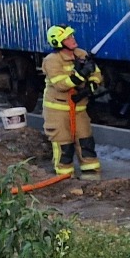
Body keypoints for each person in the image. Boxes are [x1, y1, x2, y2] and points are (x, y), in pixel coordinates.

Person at [42, 25, 104, 176]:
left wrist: (90, 87)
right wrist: (82, 74)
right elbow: (61, 84)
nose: (73, 39)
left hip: (79, 109)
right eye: (68, 38)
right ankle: (64, 179)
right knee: (65, 147)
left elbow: (97, 74)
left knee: (86, 143)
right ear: (58, 42)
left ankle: (92, 177)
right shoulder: (52, 61)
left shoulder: (81, 54)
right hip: (58, 112)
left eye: (72, 36)